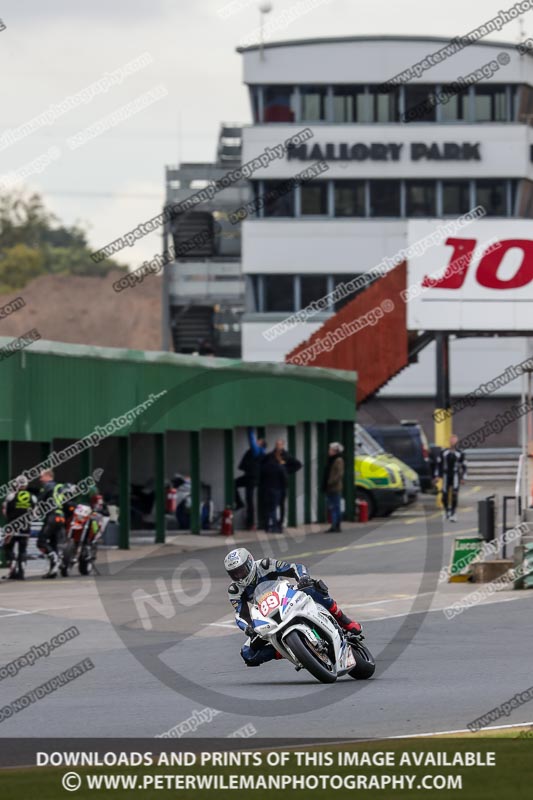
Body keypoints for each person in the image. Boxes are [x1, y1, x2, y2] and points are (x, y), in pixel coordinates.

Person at [224, 547, 363, 667]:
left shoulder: (265, 565)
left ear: (249, 562)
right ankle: (289, 650)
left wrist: (303, 577)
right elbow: (241, 614)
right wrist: (248, 627)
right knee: (248, 654)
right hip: (267, 615)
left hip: (287, 596)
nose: (238, 576)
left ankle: (344, 620)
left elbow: (294, 567)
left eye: (241, 571)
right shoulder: (234, 590)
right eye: (234, 573)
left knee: (313, 587)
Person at [2, 476, 37, 580]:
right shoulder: (33, 497)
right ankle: (21, 572)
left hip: (12, 527)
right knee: (23, 549)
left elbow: (5, 511)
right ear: (26, 485)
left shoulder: (11, 496)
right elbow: (35, 514)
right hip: (25, 527)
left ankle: (12, 566)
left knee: (8, 547)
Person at [235, 428, 267, 530]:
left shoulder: (257, 451)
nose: (257, 441)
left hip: (251, 478)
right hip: (251, 477)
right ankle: (240, 504)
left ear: (261, 444)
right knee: (248, 498)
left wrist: (250, 429)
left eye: (259, 441)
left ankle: (251, 522)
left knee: (249, 500)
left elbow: (251, 440)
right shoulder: (260, 452)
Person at [37, 469, 66, 578]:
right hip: (60, 516)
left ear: (48, 476)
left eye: (42, 477)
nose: (40, 479)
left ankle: (56, 558)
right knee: (53, 543)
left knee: (41, 542)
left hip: (52, 517)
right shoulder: (60, 487)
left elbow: (38, 501)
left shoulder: (47, 486)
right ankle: (53, 570)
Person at [434, 434, 467, 522]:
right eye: (451, 440)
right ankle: (446, 511)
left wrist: (463, 477)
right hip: (446, 475)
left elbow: (464, 466)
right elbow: (439, 465)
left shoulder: (460, 453)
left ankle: (453, 513)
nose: (453, 442)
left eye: (454, 440)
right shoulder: (443, 452)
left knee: (454, 495)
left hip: (455, 475)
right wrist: (437, 476)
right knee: (444, 495)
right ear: (449, 442)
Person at [322, 442, 345, 532]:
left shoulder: (338, 460)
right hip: (330, 487)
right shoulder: (331, 459)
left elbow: (339, 474)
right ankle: (335, 525)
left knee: (335, 506)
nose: (329, 451)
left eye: (330, 450)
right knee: (334, 506)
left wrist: (330, 482)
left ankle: (335, 525)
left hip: (334, 487)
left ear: (335, 451)